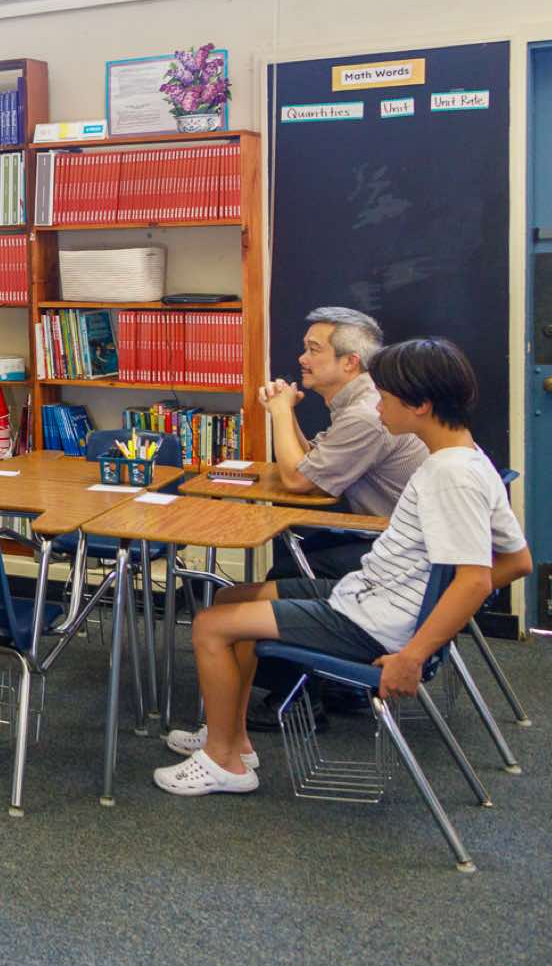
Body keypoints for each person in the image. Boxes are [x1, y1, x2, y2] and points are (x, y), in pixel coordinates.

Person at [154, 338, 531, 797]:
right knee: (232, 598)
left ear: (420, 406)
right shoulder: (467, 459)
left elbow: (474, 581)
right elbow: (517, 560)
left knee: (210, 626)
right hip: (368, 596)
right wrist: (429, 603)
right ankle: (231, 735)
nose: (378, 409)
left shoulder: (451, 477)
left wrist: (414, 651)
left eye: (385, 398)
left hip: (372, 622)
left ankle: (224, 762)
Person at [250, 307, 430, 726]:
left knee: (291, 571)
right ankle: (337, 682)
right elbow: (314, 466)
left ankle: (297, 699)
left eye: (314, 350)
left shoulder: (366, 414)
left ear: (350, 362)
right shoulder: (362, 401)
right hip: (398, 540)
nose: (302, 359)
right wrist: (287, 414)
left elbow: (297, 480)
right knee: (298, 558)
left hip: (401, 554)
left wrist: (279, 413)